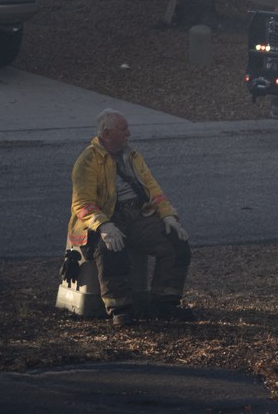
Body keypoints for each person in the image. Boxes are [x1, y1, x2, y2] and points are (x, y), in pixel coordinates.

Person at [67, 108, 192, 326]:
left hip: (138, 217)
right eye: (123, 129)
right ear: (107, 133)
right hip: (106, 218)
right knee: (111, 249)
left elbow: (153, 189)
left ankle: (165, 303)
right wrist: (105, 225)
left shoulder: (132, 156)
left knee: (176, 243)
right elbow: (82, 203)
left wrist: (168, 216)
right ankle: (120, 309)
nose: (129, 133)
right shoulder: (87, 160)